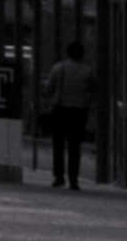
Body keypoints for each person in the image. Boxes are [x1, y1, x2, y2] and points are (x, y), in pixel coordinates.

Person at [40, 43, 95, 191]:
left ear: (68, 53)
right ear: (82, 54)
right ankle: (73, 179)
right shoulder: (88, 71)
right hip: (79, 112)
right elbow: (92, 91)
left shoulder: (59, 68)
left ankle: (59, 176)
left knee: (58, 144)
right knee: (74, 146)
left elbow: (49, 89)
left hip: (61, 109)